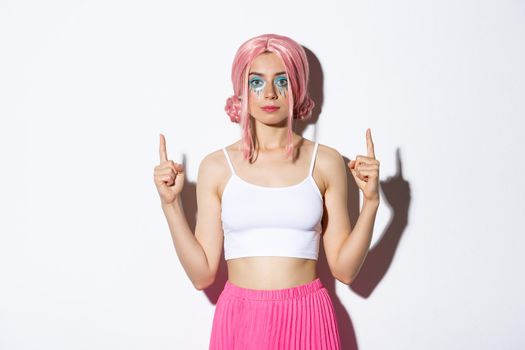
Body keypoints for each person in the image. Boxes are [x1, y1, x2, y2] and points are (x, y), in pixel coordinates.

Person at [153, 33, 380, 350]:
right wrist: (170, 206)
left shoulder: (326, 162)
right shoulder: (216, 167)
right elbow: (202, 275)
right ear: (241, 91)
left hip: (308, 316)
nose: (270, 94)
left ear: (298, 86)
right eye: (256, 83)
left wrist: (371, 203)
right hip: (241, 317)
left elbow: (344, 270)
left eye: (283, 81)